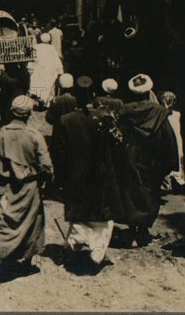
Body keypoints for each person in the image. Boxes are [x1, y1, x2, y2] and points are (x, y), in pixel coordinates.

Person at [0, 96, 53, 289]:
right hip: (28, 188)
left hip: (3, 187)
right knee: (31, 222)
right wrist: (45, 182)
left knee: (0, 223)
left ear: (11, 112)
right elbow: (46, 166)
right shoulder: (35, 135)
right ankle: (26, 262)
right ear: (29, 114)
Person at [52, 76, 121, 267]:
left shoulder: (66, 120)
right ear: (93, 96)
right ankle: (97, 249)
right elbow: (118, 144)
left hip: (76, 174)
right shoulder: (105, 117)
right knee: (101, 213)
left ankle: (73, 245)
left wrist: (59, 178)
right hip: (101, 173)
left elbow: (58, 152)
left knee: (79, 211)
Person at [114, 74, 178, 247]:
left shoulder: (125, 111)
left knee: (130, 193)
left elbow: (116, 136)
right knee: (149, 195)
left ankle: (133, 230)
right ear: (149, 90)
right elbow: (169, 139)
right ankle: (142, 230)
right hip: (153, 161)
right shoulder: (159, 112)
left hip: (130, 158)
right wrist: (170, 163)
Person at [28, 33, 64, 109]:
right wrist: (60, 70)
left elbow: (33, 59)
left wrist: (30, 67)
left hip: (39, 69)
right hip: (49, 70)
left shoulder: (36, 47)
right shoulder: (51, 48)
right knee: (48, 85)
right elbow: (56, 60)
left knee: (39, 85)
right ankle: (46, 103)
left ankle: (39, 101)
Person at [160, 91, 185, 193]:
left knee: (167, 157)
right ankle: (177, 184)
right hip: (176, 138)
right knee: (178, 159)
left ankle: (167, 183)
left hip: (168, 138)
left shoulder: (162, 114)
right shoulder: (176, 114)